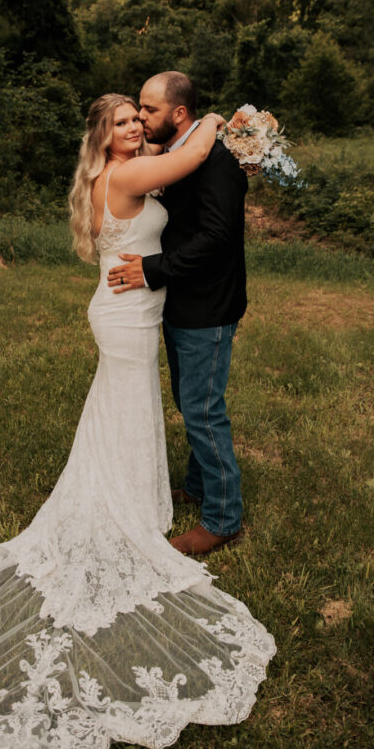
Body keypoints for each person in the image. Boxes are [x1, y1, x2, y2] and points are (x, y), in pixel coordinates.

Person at [0, 93, 275, 749]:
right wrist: (232, 123)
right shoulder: (129, 174)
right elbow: (194, 153)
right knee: (129, 403)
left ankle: (134, 490)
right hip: (127, 311)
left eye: (140, 118)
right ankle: (127, 504)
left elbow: (182, 166)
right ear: (103, 138)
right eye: (123, 122)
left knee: (126, 406)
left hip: (130, 308)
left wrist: (213, 150)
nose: (136, 127)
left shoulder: (126, 169)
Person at [107, 72, 247, 556]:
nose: (142, 118)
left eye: (148, 110)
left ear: (179, 114)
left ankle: (223, 517)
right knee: (191, 403)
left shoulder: (218, 165)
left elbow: (215, 240)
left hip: (207, 305)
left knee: (204, 410)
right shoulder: (175, 153)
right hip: (181, 302)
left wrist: (151, 269)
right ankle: (199, 484)